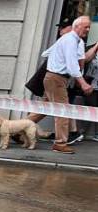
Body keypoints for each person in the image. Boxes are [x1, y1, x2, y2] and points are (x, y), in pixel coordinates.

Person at [39, 16, 93, 154]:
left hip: (54, 78)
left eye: (89, 27)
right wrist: (83, 83)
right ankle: (60, 143)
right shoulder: (71, 41)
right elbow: (71, 65)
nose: (88, 29)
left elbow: (46, 53)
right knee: (63, 112)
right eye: (85, 27)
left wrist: (56, 61)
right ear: (76, 26)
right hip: (57, 79)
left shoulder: (69, 39)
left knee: (43, 109)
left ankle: (18, 130)